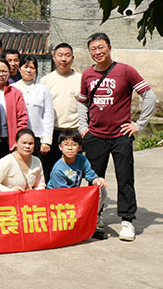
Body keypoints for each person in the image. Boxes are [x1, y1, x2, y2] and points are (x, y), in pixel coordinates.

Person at [78, 32, 157, 241]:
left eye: (101, 47)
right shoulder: (87, 74)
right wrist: (83, 127)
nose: (97, 52)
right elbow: (82, 101)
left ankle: (127, 221)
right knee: (93, 179)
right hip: (95, 135)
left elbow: (149, 96)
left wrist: (139, 124)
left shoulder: (125, 70)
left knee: (125, 178)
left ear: (110, 48)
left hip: (120, 135)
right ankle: (95, 216)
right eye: (93, 49)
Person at [40, 43, 82, 177]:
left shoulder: (81, 80)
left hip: (74, 131)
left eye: (67, 55)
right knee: (50, 171)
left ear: (72, 58)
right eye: (60, 55)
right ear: (54, 58)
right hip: (53, 132)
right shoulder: (45, 81)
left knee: (73, 173)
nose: (63, 59)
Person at [47, 130, 107, 222]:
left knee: (102, 191)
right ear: (60, 147)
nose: (70, 148)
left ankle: (92, 219)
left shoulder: (82, 159)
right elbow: (62, 194)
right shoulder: (58, 169)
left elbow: (91, 176)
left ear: (79, 147)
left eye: (74, 145)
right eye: (66, 145)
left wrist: (98, 180)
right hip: (57, 199)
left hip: (73, 194)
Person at [13, 55, 55, 175]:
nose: (29, 70)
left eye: (32, 67)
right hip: (17, 138)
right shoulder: (12, 88)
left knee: (38, 171)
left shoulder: (43, 90)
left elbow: (48, 115)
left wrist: (46, 140)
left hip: (37, 137)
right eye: (26, 66)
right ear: (19, 69)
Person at [0, 58, 28, 161]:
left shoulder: (15, 93)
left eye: (4, 71)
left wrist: (18, 140)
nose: (1, 74)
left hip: (9, 139)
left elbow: (22, 118)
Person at [0, 128, 46, 192]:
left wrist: (33, 192)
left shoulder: (37, 161)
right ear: (16, 143)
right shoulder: (7, 161)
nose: (27, 146)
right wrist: (10, 191)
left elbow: (41, 184)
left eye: (30, 143)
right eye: (24, 143)